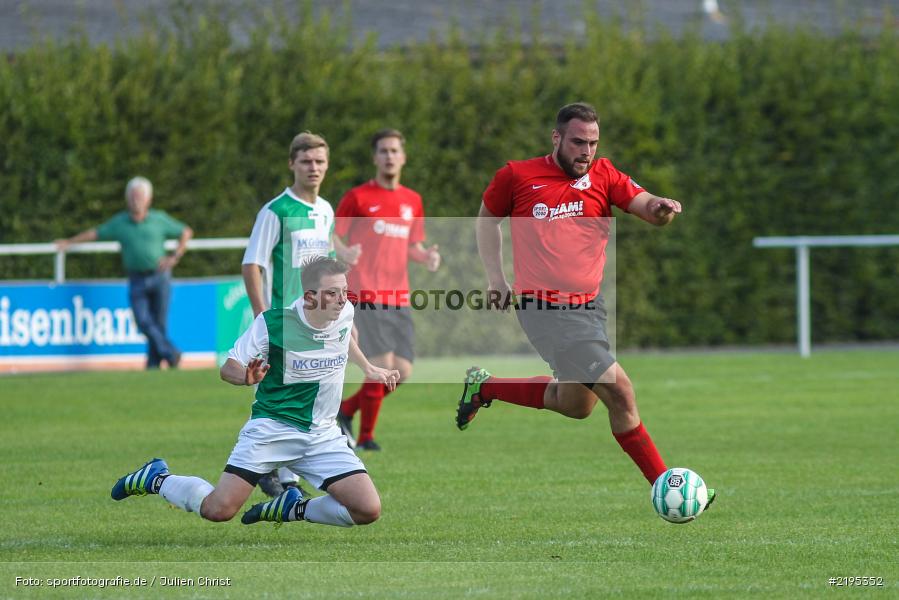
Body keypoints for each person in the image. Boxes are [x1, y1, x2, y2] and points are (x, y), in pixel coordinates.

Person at [457, 102, 715, 506]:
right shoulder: (518, 176)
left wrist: (662, 211)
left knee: (575, 405)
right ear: (557, 138)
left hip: (589, 309)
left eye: (593, 143)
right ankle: (666, 486)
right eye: (578, 141)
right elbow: (486, 219)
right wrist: (496, 278)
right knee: (622, 392)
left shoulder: (604, 174)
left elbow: (646, 204)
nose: (586, 151)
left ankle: (484, 386)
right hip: (543, 309)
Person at [111, 257, 399, 529]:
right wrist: (246, 377)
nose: (342, 300)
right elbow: (229, 367)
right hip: (272, 428)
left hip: (322, 434)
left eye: (345, 291)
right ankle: (157, 478)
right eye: (333, 293)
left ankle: (291, 509)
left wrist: (369, 367)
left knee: (367, 509)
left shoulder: (344, 312)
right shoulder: (273, 324)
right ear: (310, 297)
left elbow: (345, 335)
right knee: (218, 510)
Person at [332, 129, 440, 451]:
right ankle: (365, 438)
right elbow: (335, 235)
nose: (390, 156)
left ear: (403, 157)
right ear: (375, 157)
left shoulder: (412, 200)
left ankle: (346, 410)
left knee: (402, 370)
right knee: (382, 363)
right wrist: (343, 251)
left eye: (395, 150)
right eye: (383, 151)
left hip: (399, 295)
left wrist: (427, 257)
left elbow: (412, 246)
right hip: (366, 292)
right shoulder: (358, 197)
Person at [241, 131, 336, 497]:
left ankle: (273, 472)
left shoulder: (325, 209)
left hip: (317, 319)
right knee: (284, 393)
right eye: (306, 161)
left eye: (319, 162)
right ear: (292, 164)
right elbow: (252, 264)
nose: (313, 168)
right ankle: (286, 479)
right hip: (284, 316)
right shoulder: (276, 210)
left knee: (303, 392)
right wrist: (262, 316)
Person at [55, 176, 192, 369]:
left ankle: (153, 364)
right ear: (128, 199)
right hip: (136, 278)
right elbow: (95, 233)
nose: (136, 200)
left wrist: (175, 256)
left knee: (159, 323)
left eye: (140, 197)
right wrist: (69, 242)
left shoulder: (158, 219)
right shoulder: (121, 223)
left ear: (148, 200)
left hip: (160, 276)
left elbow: (185, 231)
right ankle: (171, 353)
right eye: (133, 196)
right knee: (143, 321)